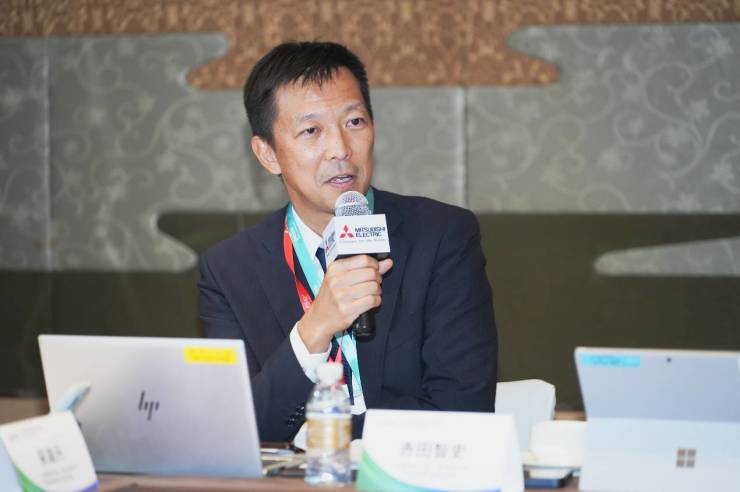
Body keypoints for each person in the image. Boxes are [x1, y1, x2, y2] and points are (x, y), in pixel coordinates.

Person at [198, 41, 497, 442]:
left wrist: (322, 435)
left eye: (354, 122)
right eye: (311, 131)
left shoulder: (442, 235)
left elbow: (462, 409)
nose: (340, 149)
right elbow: (234, 428)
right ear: (268, 154)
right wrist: (315, 329)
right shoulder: (229, 268)